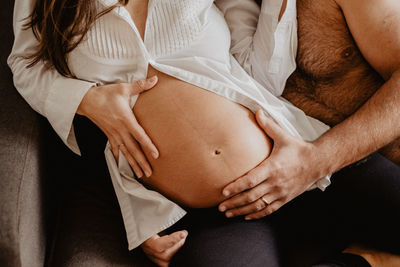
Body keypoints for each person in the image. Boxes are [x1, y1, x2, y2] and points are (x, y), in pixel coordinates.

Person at [7, 0, 400, 266]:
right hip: (213, 214)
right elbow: (25, 64)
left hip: (299, 156)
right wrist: (86, 100)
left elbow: (252, 64)